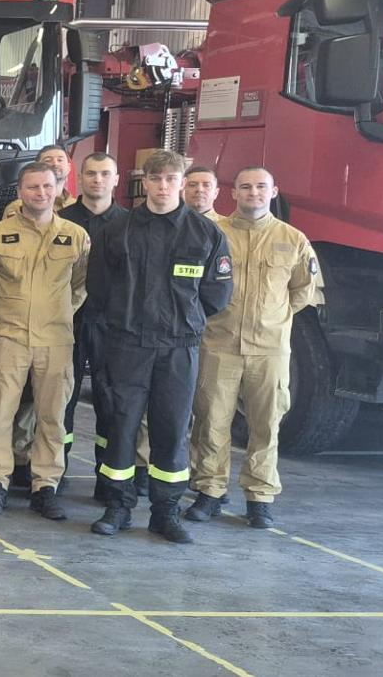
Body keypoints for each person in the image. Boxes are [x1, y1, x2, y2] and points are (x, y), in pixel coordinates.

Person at [88, 149, 233, 543]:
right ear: (145, 183)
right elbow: (98, 288)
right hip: (128, 345)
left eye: (171, 179)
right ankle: (117, 507)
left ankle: (165, 513)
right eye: (156, 179)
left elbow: (217, 295)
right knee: (121, 426)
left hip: (177, 347)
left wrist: (182, 321)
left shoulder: (206, 234)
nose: (163, 186)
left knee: (171, 430)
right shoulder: (117, 230)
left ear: (182, 184)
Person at [185, 167, 320, 529]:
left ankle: (259, 497)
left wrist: (272, 319)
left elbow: (304, 290)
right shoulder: (215, 235)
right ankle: (209, 491)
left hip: (270, 350)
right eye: (246, 187)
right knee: (211, 420)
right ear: (233, 193)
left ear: (274, 191)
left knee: (266, 424)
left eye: (261, 187)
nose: (254, 193)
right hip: (219, 344)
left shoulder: (292, 239)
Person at [0, 163, 89, 520]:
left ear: (57, 189)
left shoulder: (76, 235)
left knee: (52, 418)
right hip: (8, 338)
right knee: (0, 413)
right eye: (33, 187)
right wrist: (9, 316)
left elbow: (80, 286)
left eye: (47, 187)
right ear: (21, 192)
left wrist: (56, 314)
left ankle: (46, 486)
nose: (41, 193)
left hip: (56, 340)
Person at [58, 153, 129, 498]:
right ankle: (55, 473)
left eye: (105, 174)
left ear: (116, 179)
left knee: (110, 401)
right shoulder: (60, 221)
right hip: (67, 324)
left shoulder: (131, 225)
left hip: (113, 327)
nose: (97, 180)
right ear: (80, 178)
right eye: (90, 173)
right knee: (62, 401)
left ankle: (108, 479)